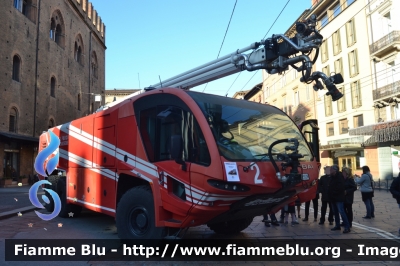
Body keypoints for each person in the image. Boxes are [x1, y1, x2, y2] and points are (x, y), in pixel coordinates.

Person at [329, 164, 350, 233]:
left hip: (338, 197)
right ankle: (337, 225)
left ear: (335, 170)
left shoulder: (339, 177)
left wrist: (333, 192)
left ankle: (347, 226)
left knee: (341, 211)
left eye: (331, 169)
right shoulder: (332, 176)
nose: (330, 170)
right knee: (335, 212)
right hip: (333, 197)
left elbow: (340, 187)